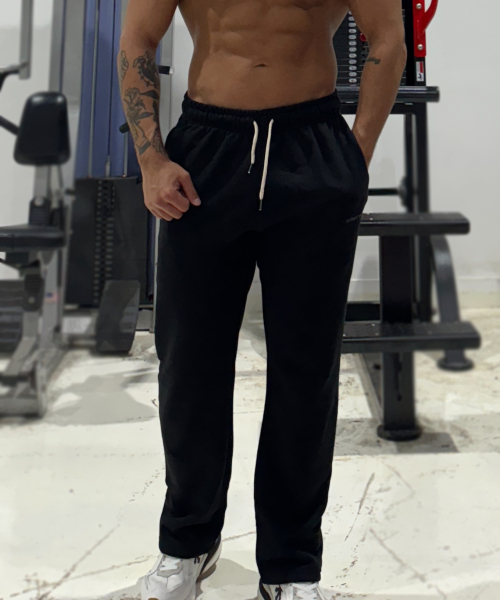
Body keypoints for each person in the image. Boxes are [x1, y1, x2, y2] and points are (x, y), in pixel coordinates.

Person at [118, 0, 406, 599]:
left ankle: (291, 566)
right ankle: (188, 544)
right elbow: (138, 38)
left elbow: (387, 37)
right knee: (189, 364)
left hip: (312, 145)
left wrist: (354, 157)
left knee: (306, 370)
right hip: (206, 151)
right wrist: (151, 158)